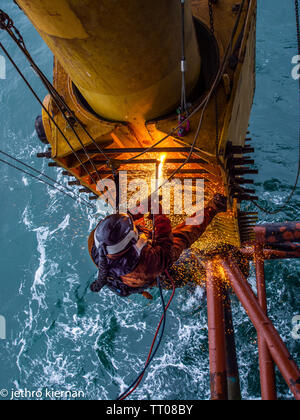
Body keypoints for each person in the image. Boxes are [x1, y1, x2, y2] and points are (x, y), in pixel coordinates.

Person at [88, 194, 227, 297]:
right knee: (181, 237)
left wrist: (143, 206)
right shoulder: (146, 266)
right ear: (131, 243)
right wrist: (158, 214)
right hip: (156, 273)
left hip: (132, 270)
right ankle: (214, 208)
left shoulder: (102, 237)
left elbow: (126, 217)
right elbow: (165, 240)